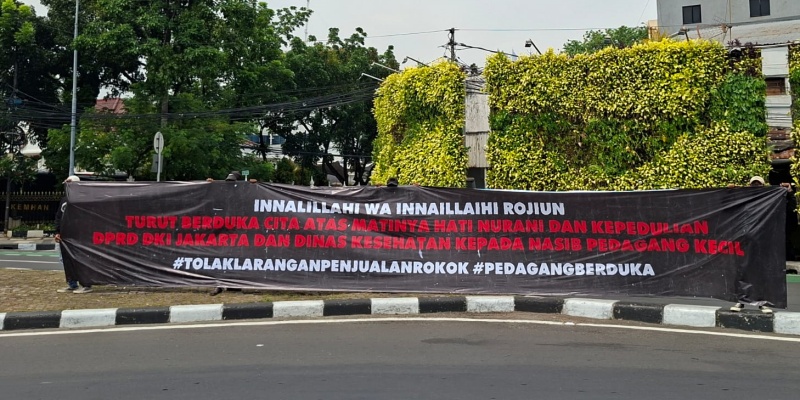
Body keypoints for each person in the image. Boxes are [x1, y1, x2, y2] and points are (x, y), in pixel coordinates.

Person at [730, 176, 773, 313]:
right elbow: (727, 207)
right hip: (744, 242)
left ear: (763, 186)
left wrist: (787, 192)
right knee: (742, 271)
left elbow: (785, 207)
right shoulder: (743, 201)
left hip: (762, 243)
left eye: (758, 185)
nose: (756, 187)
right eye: (753, 185)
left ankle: (762, 302)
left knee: (761, 272)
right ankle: (741, 301)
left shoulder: (769, 200)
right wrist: (729, 192)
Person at [55, 175, 92, 294]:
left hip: (80, 235)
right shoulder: (65, 200)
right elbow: (58, 216)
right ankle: (72, 283)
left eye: (69, 183)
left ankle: (86, 284)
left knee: (81, 259)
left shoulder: (83, 200)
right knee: (66, 260)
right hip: (66, 235)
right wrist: (57, 231)